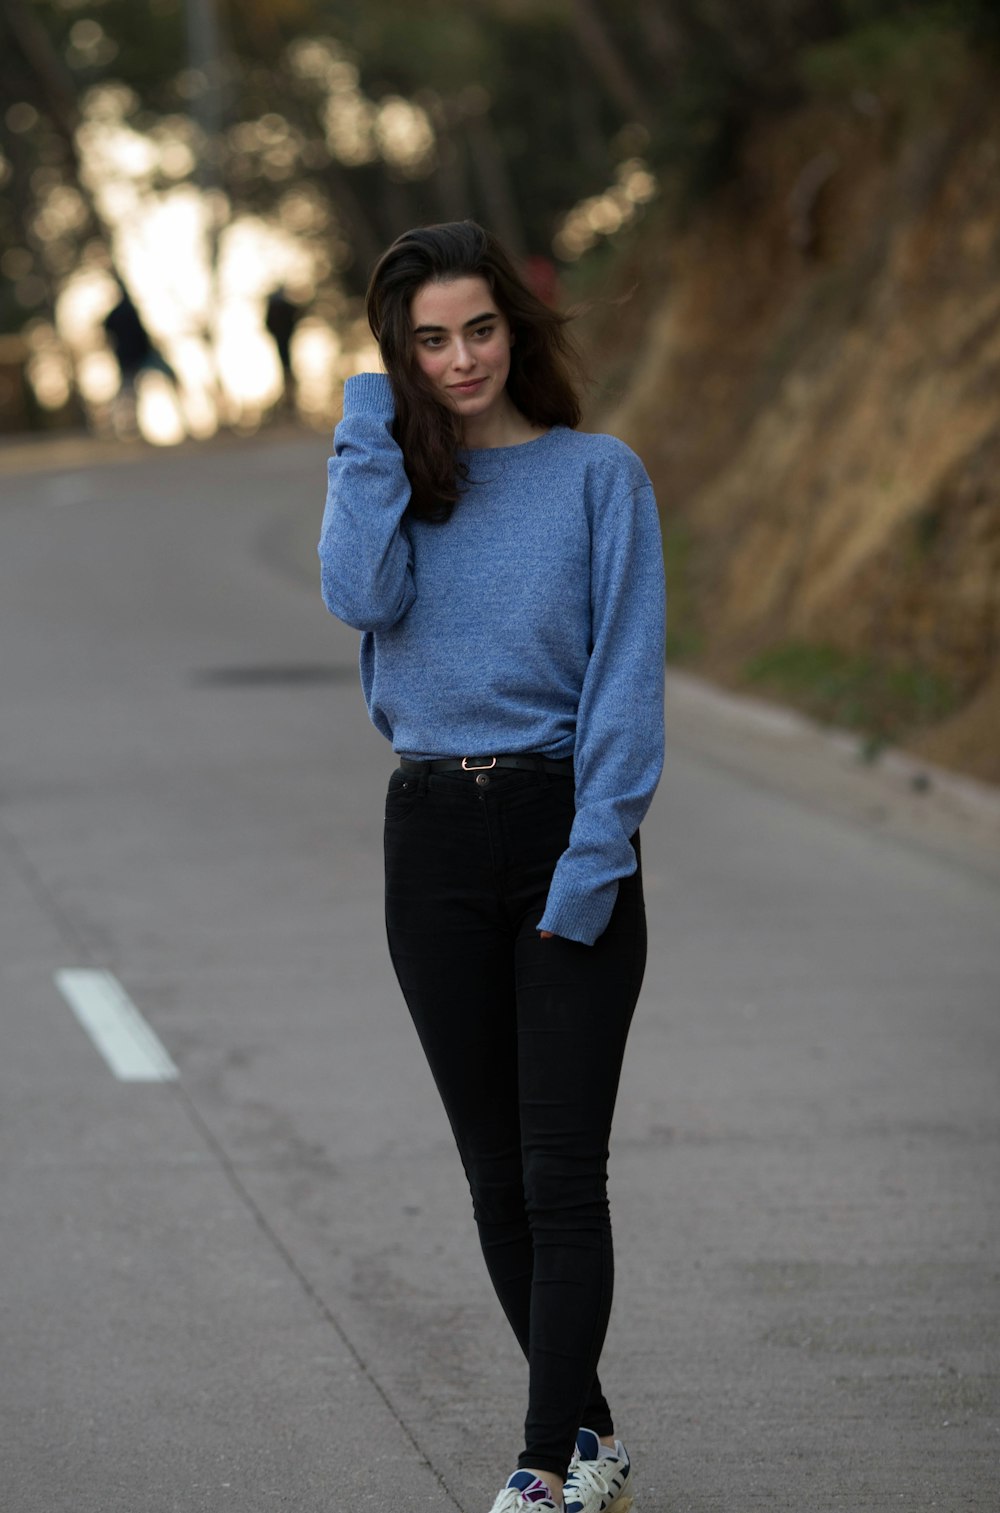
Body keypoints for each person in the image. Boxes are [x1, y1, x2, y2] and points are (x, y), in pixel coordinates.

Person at [318, 221, 664, 1513]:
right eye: (428, 340)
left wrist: (594, 861)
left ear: (517, 328)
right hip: (431, 845)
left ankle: (536, 1463)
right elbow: (356, 593)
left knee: (563, 1169)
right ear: (401, 355)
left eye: (478, 327)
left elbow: (625, 684)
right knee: (495, 1175)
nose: (461, 357)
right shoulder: (398, 479)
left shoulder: (597, 476)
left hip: (567, 826)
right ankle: (590, 1439)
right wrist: (372, 411)